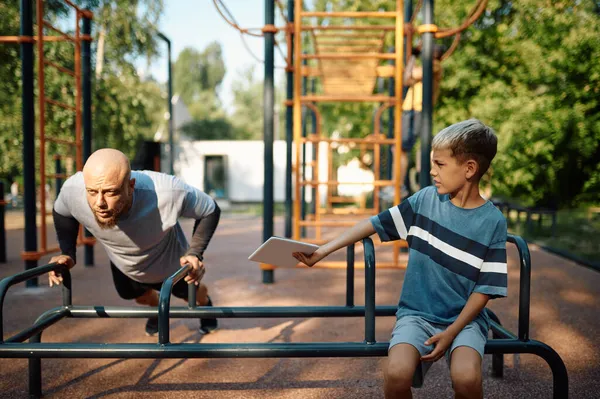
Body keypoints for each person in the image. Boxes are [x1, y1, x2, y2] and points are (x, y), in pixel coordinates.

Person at [294, 119, 507, 398]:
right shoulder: (425, 201)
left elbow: (484, 289)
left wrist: (452, 332)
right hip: (416, 315)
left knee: (466, 378)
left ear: (469, 169)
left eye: (440, 164)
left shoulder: (492, 221)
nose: (432, 171)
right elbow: (372, 224)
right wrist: (322, 250)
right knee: (395, 374)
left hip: (464, 320)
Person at [48, 148, 221, 336]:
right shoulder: (73, 190)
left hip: (170, 262)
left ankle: (206, 306)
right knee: (138, 298)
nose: (99, 203)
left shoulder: (167, 191)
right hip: (125, 265)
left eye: (110, 192)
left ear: (131, 186)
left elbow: (210, 209)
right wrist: (68, 253)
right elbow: (62, 212)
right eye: (91, 191)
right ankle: (157, 310)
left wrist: (194, 252)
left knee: (194, 297)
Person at [400, 44, 445, 197]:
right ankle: (402, 184)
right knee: (402, 148)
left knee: (416, 147)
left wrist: (415, 56)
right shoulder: (426, 66)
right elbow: (406, 79)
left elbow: (412, 74)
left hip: (419, 109)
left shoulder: (435, 66)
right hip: (410, 109)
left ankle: (424, 179)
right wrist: (413, 56)